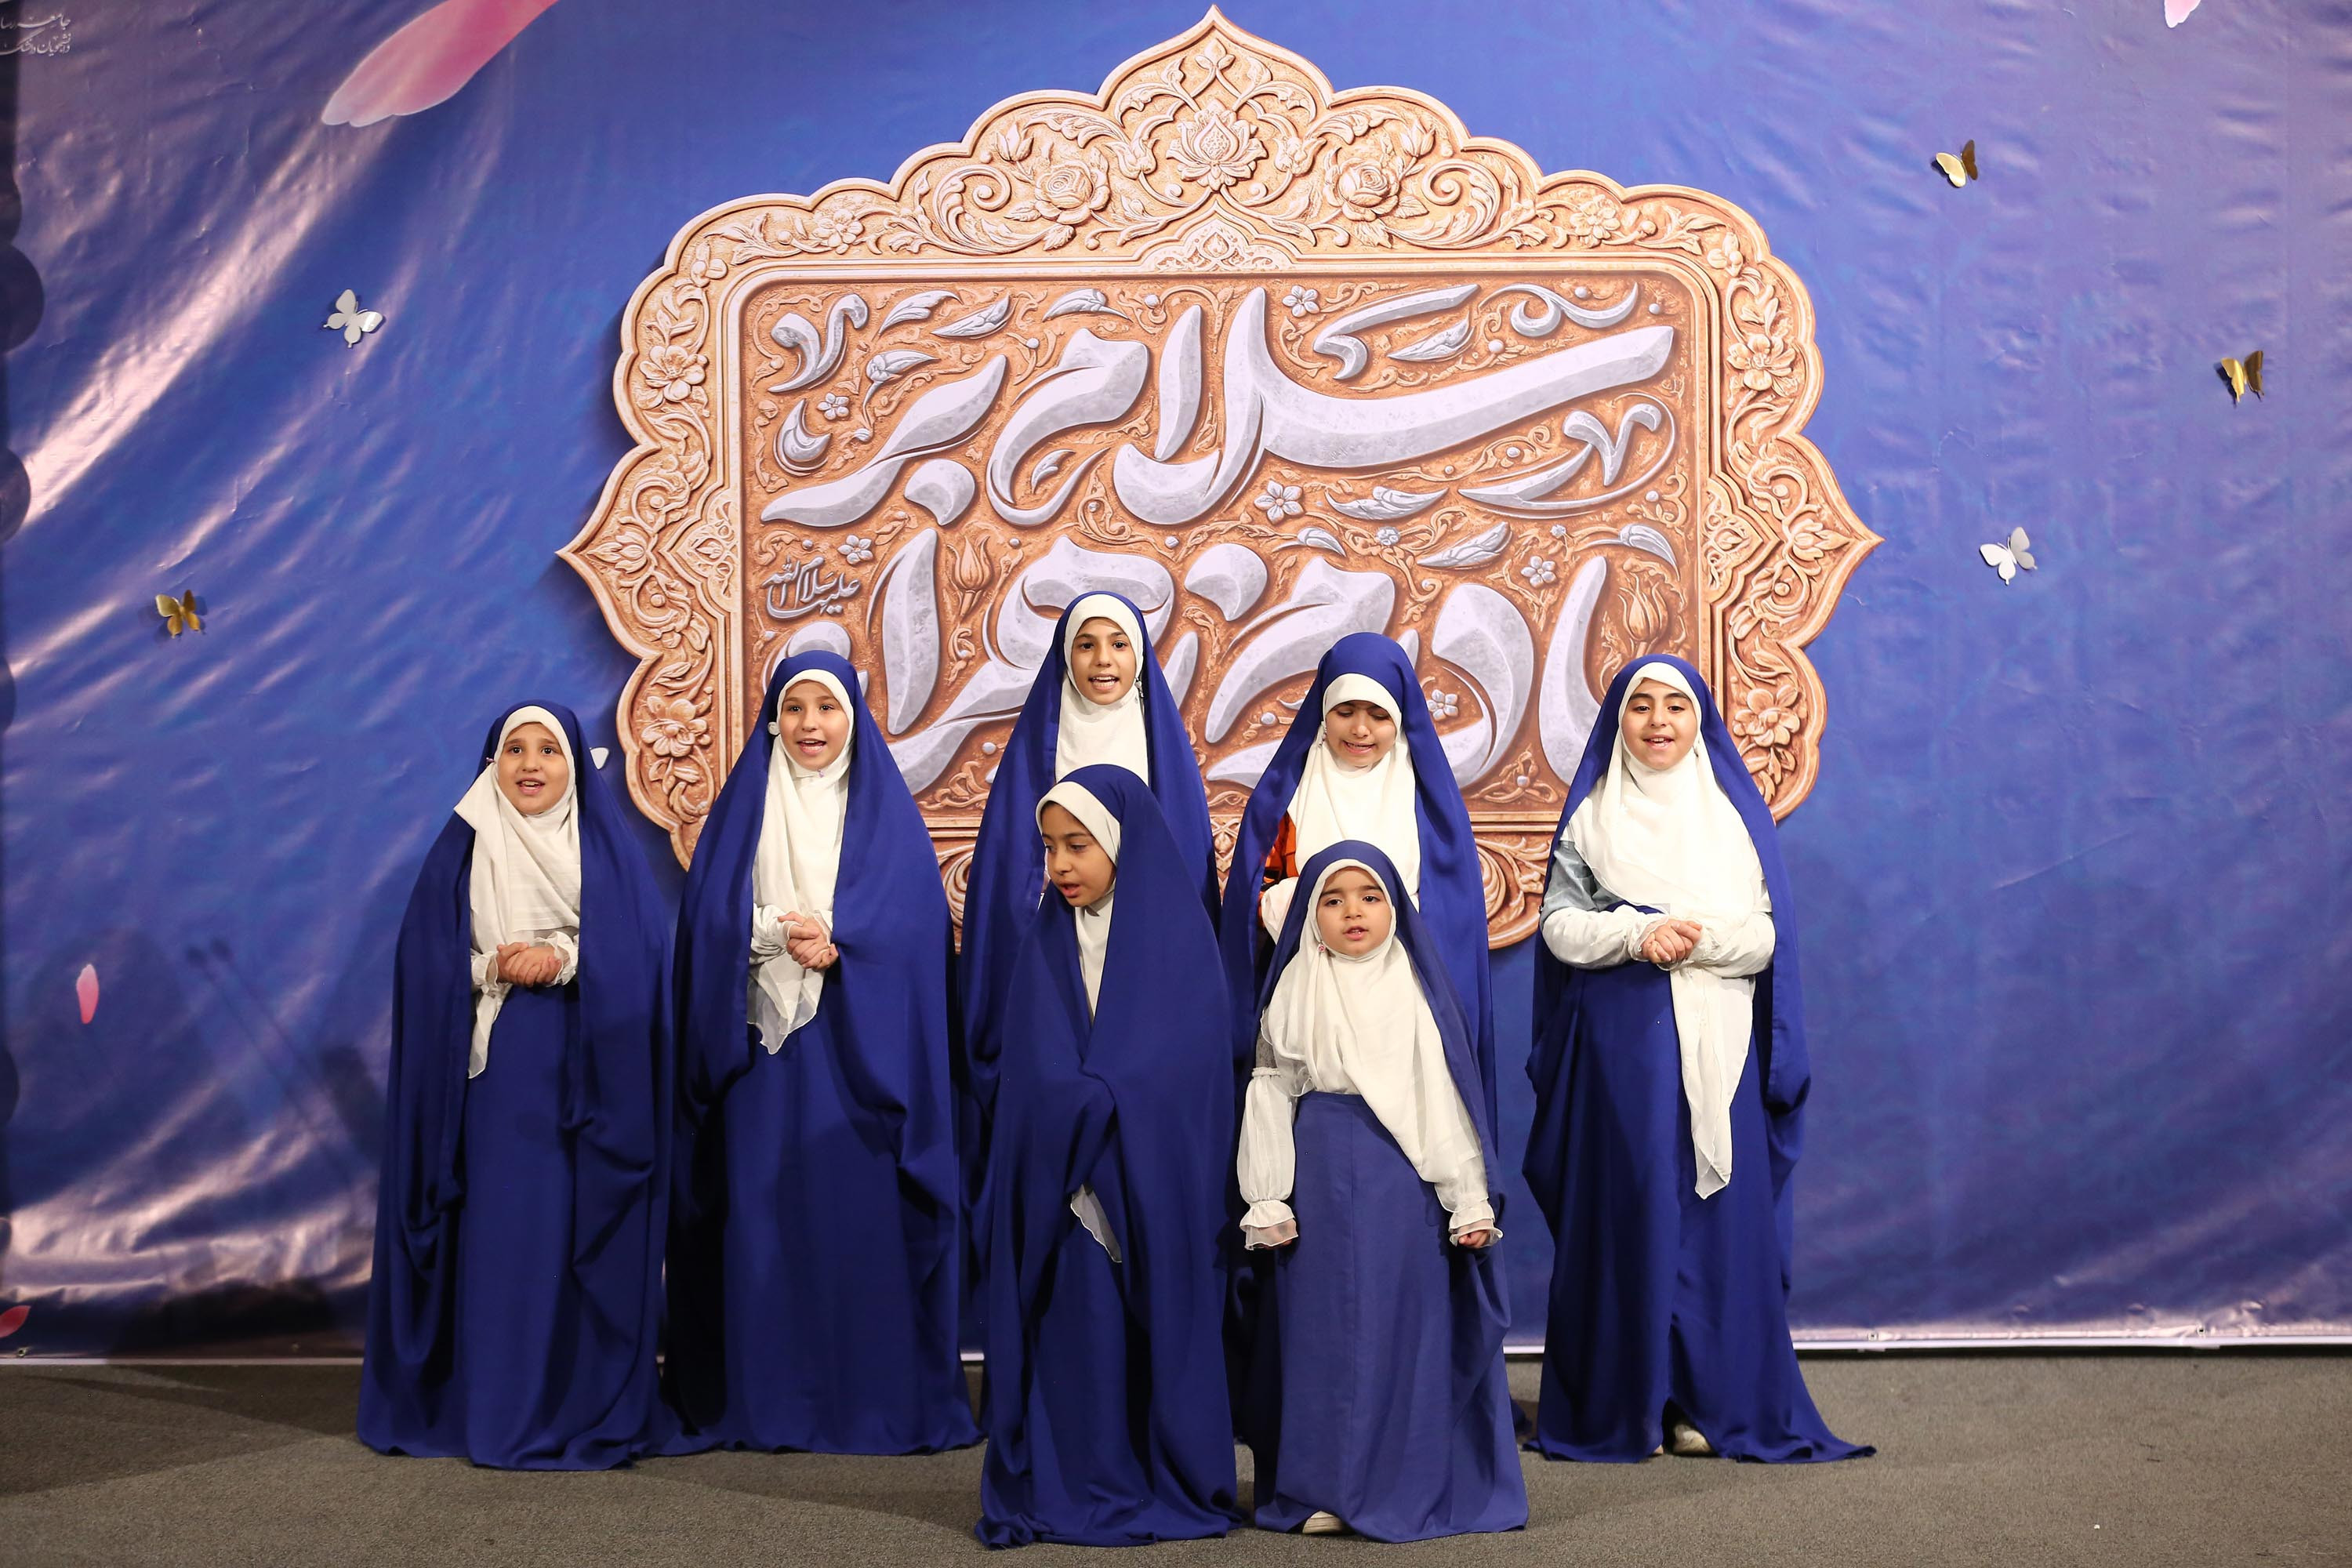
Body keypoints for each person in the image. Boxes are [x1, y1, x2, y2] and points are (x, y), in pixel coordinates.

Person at [1523, 655, 1870, 1464]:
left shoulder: (1732, 820)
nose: (1657, 721)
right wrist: (1636, 932)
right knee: (1631, 1213)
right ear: (1618, 722)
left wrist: (1695, 940)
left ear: (1699, 721)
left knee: (1714, 1225)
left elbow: (1765, 938)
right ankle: (1629, 1405)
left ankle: (1708, 1403)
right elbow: (1560, 926)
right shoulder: (1592, 820)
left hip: (1720, 1047)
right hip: (1622, 1057)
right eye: (1640, 705)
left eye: (1675, 706)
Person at [659, 652, 975, 1455]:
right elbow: (704, 924)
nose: (810, 725)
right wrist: (770, 930)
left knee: (854, 1220)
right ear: (774, 719)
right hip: (758, 1058)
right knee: (763, 1218)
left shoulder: (886, 818)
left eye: (827, 708)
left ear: (853, 721)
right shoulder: (743, 812)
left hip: (857, 1058)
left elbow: (914, 929)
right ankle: (767, 1400)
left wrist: (845, 940)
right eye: (794, 708)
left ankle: (865, 1399)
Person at [359, 702, 668, 1468]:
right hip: (496, 1076)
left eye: (548, 750)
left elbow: (644, 955)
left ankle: (579, 1399)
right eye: (513, 749)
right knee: (507, 1234)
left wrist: (566, 960)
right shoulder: (462, 851)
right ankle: (498, 1407)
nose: (530, 765)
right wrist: (490, 965)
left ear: (576, 765)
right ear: (491, 763)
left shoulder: (607, 852)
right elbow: (424, 964)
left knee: (575, 1229)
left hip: (591, 1073)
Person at [975, 767, 1240, 1548]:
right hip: (1068, 1187)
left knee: (1152, 1327)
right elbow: (1032, 1068)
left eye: (1077, 845)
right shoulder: (1046, 943)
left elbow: (1187, 1068)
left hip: (1148, 1177)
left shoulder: (1177, 941)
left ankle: (1165, 1475)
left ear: (1123, 843)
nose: (1060, 865)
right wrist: (1077, 1107)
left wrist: (1100, 1099)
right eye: (1049, 847)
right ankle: (1076, 1479)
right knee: (1077, 1326)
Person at [1237, 841, 1527, 1539]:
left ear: (1395, 908)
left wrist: (1466, 1196)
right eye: (1333, 900)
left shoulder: (1416, 992)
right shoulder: (1296, 985)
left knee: (1399, 1332)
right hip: (1317, 1176)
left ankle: (1396, 1483)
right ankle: (1318, 1487)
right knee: (1321, 1333)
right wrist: (1267, 1193)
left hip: (1403, 1182)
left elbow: (1441, 1100)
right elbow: (1271, 1087)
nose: (1353, 913)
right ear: (1310, 913)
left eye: (1370, 897)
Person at [956, 593, 1214, 1313]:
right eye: (1086, 644)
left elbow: (1183, 887)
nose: (1103, 661)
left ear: (1141, 658)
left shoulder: (1162, 755)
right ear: (1064, 658)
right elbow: (1007, 884)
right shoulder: (1032, 758)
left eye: (1119, 644)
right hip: (1054, 972)